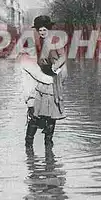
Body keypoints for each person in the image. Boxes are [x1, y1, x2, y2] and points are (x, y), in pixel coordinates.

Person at [24, 15, 68, 149]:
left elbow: (63, 57)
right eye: (39, 30)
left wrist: (55, 68)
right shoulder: (39, 42)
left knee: (51, 113)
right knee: (36, 111)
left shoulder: (55, 40)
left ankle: (48, 144)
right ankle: (29, 144)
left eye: (44, 30)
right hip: (43, 77)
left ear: (48, 29)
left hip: (54, 76)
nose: (42, 33)